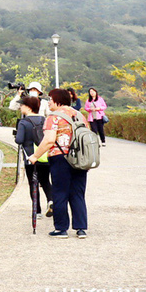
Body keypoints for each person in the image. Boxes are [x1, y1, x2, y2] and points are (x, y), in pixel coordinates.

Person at [28, 88, 88, 238]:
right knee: (78, 193)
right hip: (80, 158)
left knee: (60, 192)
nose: (48, 102)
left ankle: (61, 229)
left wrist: (35, 156)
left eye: (50, 99)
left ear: (57, 100)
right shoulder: (79, 115)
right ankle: (81, 229)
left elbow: (49, 140)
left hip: (60, 158)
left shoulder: (53, 117)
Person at [15, 94, 52, 219]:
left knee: (33, 183)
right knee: (46, 181)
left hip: (30, 158)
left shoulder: (24, 122)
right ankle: (51, 201)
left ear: (29, 107)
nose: (20, 107)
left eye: (22, 105)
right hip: (45, 156)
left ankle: (37, 211)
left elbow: (19, 140)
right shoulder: (44, 120)